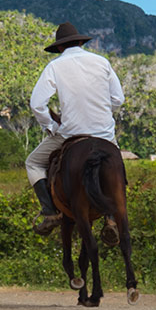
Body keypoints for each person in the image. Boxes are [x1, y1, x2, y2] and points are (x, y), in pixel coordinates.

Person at [26, 22, 125, 235]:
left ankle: (50, 212)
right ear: (81, 42)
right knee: (116, 165)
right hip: (104, 134)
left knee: (33, 163)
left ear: (60, 47)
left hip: (72, 133)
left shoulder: (54, 66)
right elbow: (118, 99)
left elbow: (37, 104)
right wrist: (103, 115)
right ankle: (110, 217)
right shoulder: (102, 62)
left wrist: (51, 126)